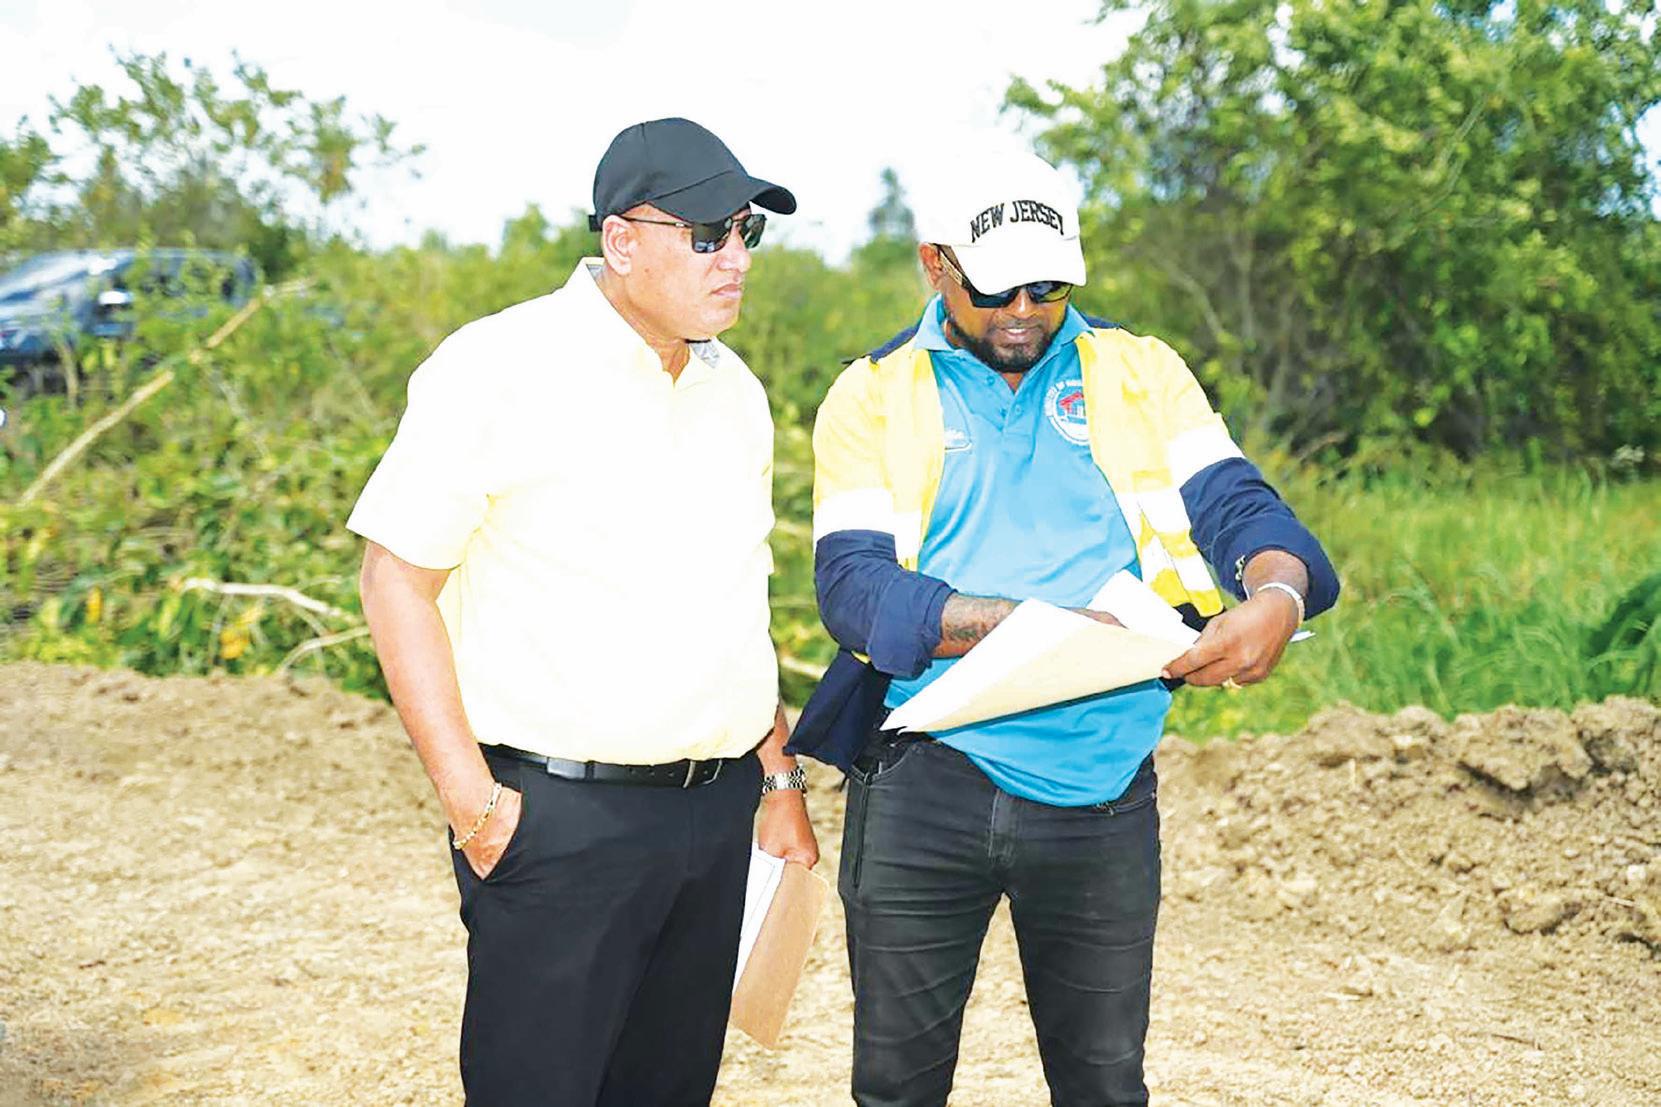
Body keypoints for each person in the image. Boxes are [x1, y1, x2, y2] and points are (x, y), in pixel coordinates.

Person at [788, 150, 1339, 1106]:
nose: (1023, 311)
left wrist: (1277, 598)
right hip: (923, 782)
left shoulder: (1140, 372)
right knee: (895, 1088)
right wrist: (1037, 629)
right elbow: (855, 590)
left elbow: (1241, 510)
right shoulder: (872, 393)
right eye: (996, 287)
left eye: (1047, 286)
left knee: (1102, 1086)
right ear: (935, 264)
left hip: (1102, 786)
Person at [349, 117, 819, 1107]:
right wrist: (477, 811)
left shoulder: (736, 393)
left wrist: (777, 781)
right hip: (557, 824)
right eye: (708, 235)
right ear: (621, 240)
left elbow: (737, 607)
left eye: (747, 232)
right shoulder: (495, 366)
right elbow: (394, 582)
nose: (735, 258)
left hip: (713, 820)